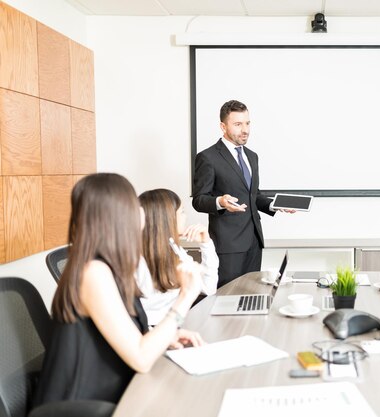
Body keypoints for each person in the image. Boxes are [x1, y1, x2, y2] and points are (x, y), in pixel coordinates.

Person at [33, 174, 204, 406]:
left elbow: (123, 336)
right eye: (133, 204)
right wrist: (186, 296)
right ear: (118, 215)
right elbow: (141, 359)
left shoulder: (109, 267)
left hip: (114, 392)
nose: (141, 211)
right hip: (84, 406)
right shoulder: (93, 272)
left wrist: (165, 337)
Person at [192, 100, 292, 287]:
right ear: (223, 126)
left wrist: (274, 205)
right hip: (228, 246)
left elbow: (253, 195)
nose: (244, 129)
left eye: (247, 123)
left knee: (250, 296)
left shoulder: (252, 156)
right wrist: (220, 201)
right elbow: (198, 200)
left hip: (254, 242)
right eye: (238, 124)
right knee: (227, 299)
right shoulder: (208, 157)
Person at [137, 188, 219, 326]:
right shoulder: (138, 261)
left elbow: (209, 288)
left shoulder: (174, 248)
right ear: (167, 218)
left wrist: (206, 243)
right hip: (156, 332)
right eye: (182, 212)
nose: (185, 217)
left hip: (176, 325)